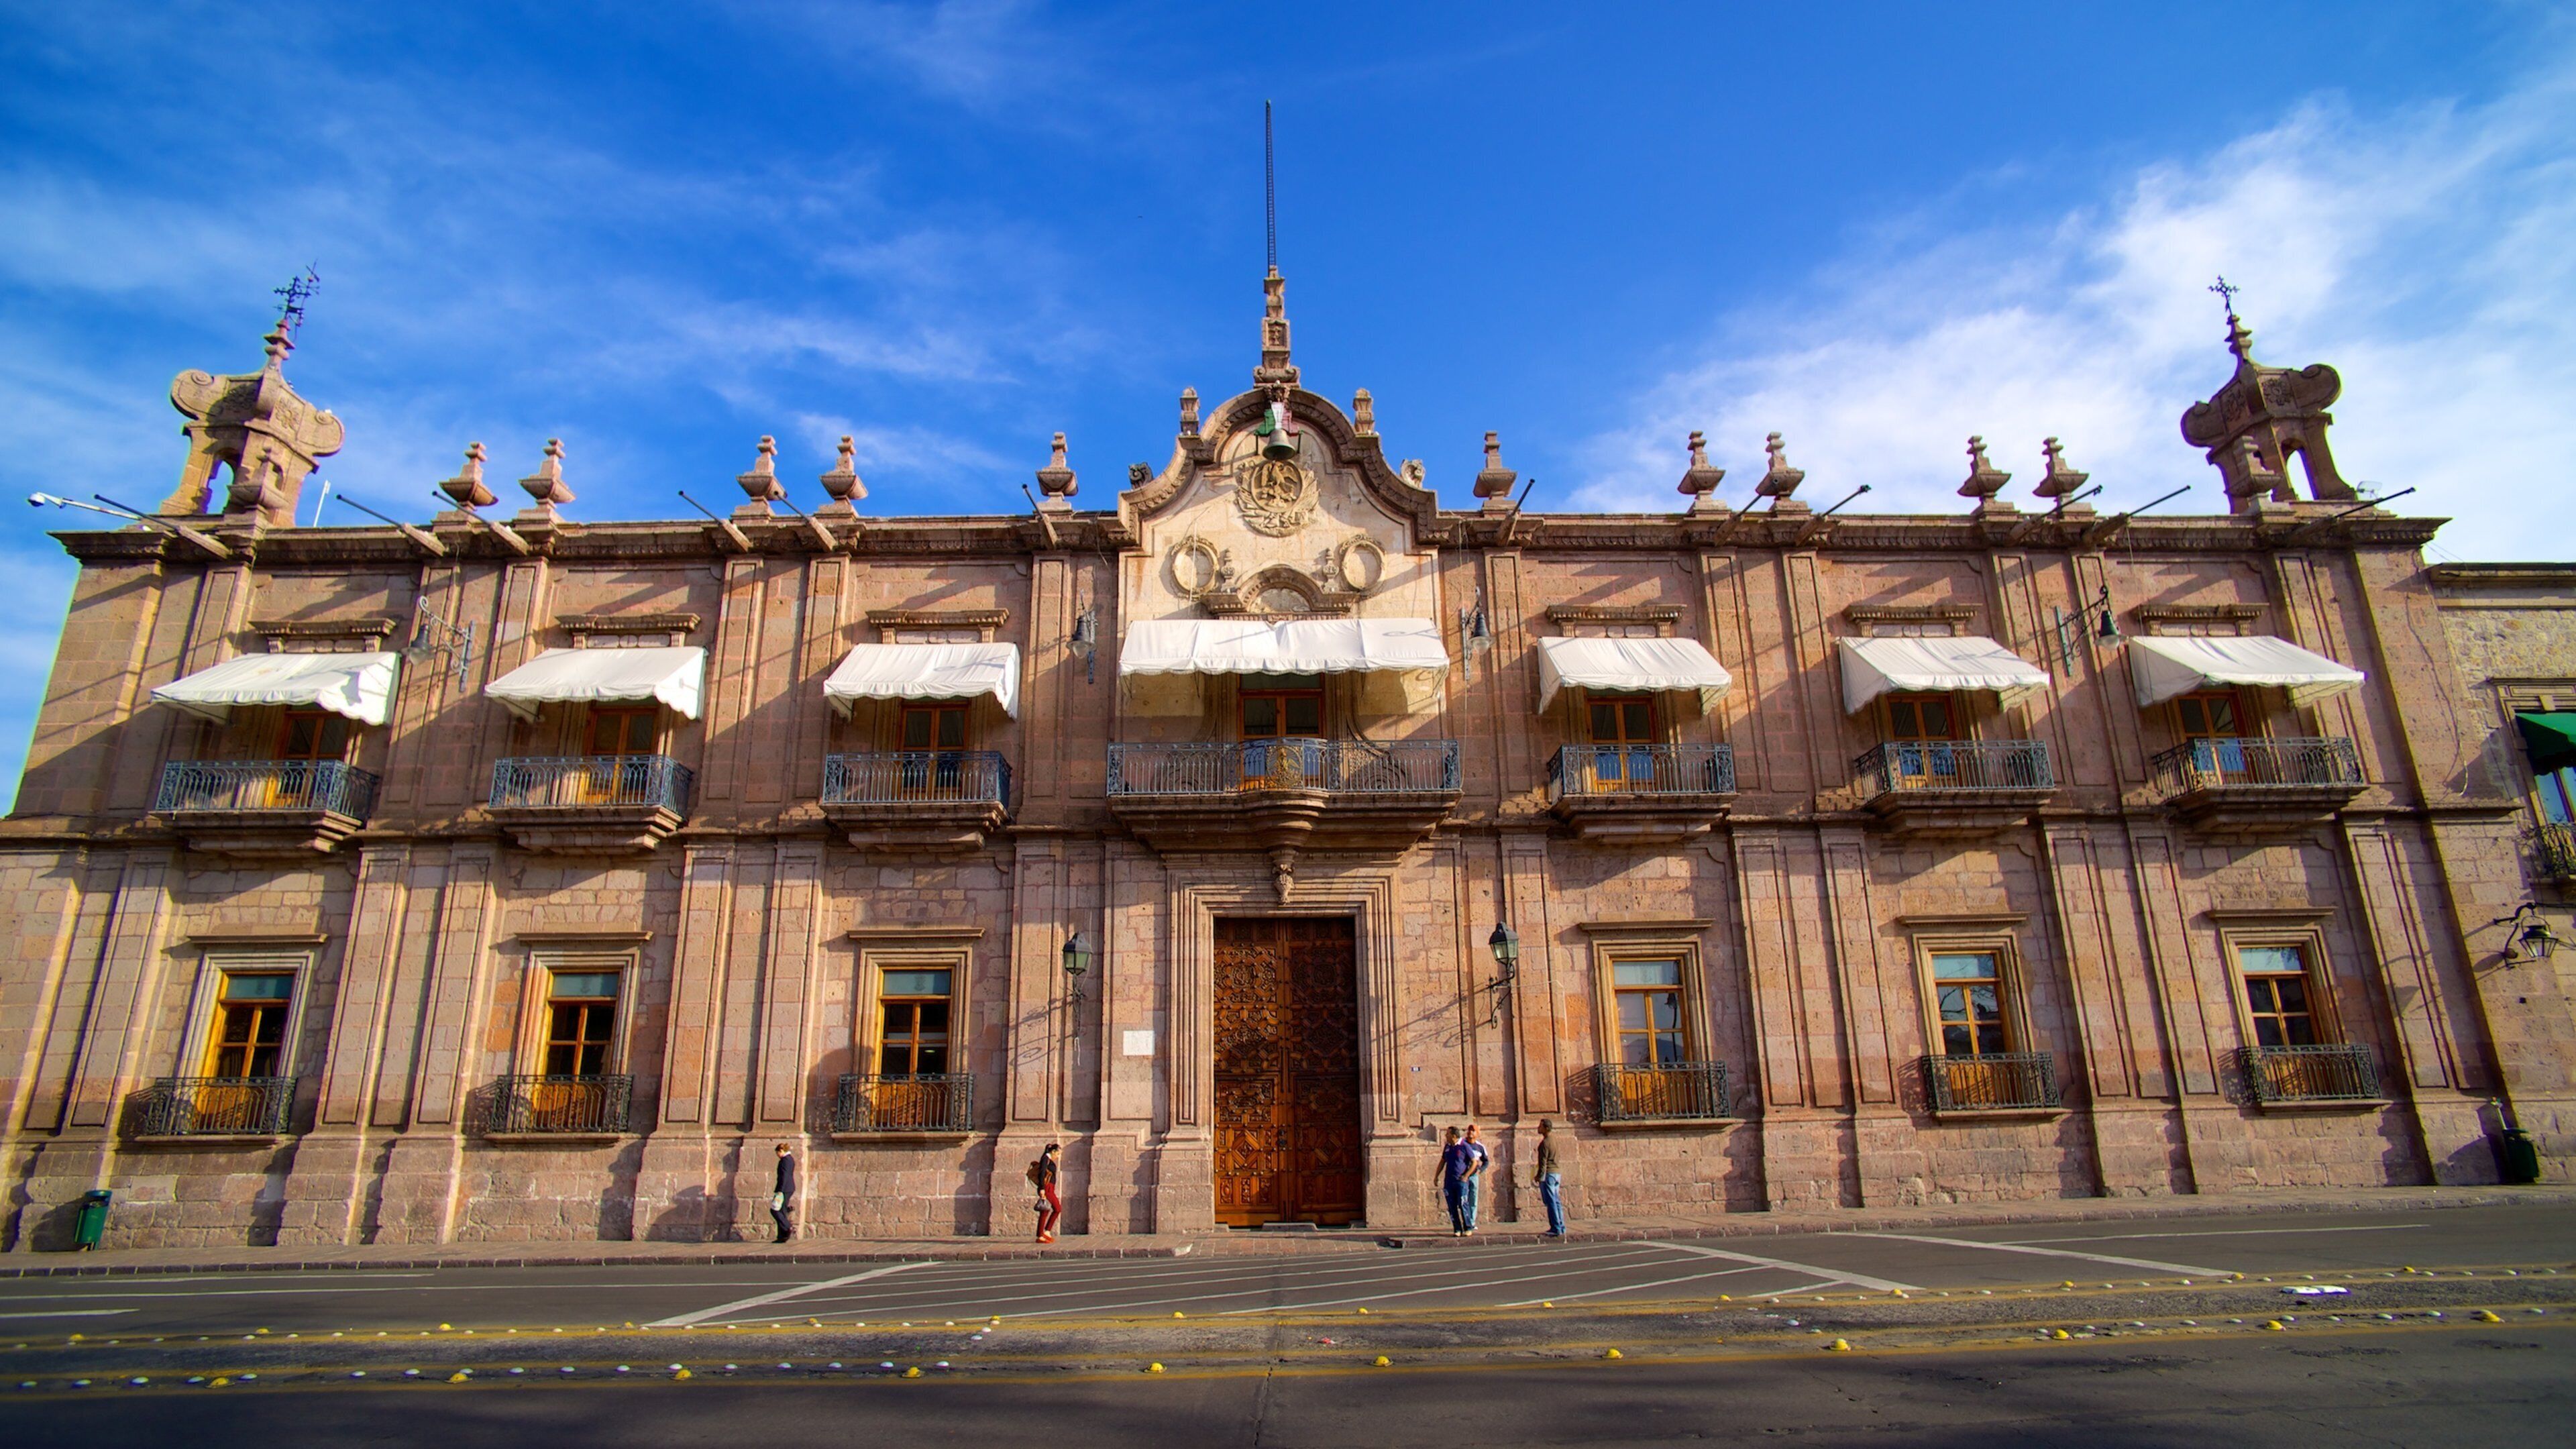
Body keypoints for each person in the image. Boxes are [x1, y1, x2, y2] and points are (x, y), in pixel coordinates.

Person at [1533, 1118, 1566, 1239]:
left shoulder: (1545, 1143)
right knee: (1556, 1201)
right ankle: (1561, 1226)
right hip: (1556, 1173)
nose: (1538, 1128)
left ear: (1546, 1128)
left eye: (1540, 1126)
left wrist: (1538, 1176)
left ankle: (1555, 1228)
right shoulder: (1555, 1140)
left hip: (1549, 1174)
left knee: (1551, 1201)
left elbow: (1543, 1163)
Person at [1436, 1126, 1471, 1235]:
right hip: (1449, 1181)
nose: (1446, 1136)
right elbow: (1443, 1161)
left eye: (1448, 1134)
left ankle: (1468, 1227)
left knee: (1462, 1203)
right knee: (1452, 1206)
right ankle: (1457, 1229)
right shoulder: (1448, 1147)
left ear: (1454, 1136)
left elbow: (1474, 1162)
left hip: (1461, 1181)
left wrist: (1466, 1175)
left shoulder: (1464, 1146)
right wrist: (1436, 1176)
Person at [1458, 1124, 1491, 1234]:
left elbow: (1486, 1161)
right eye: (1469, 1130)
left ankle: (1471, 1222)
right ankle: (1465, 1222)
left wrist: (1480, 1170)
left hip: (1474, 1176)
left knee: (1473, 1198)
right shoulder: (1462, 1144)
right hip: (1463, 1175)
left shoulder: (1480, 1147)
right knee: (1463, 1199)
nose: (1470, 1132)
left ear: (1477, 1133)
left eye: (1473, 1131)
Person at [1029, 1142, 1062, 1244]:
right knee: (1056, 1208)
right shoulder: (1045, 1159)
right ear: (1053, 1151)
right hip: (1047, 1188)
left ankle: (1044, 1234)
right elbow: (1042, 1173)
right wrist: (1042, 1189)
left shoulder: (1048, 1159)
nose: (1058, 1156)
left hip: (1050, 1188)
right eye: (1058, 1154)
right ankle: (1043, 1234)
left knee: (1046, 1211)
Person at [769, 1142, 797, 1244]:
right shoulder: (790, 1159)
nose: (777, 1155)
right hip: (787, 1188)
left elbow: (784, 1176)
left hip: (784, 1189)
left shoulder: (785, 1160)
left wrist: (780, 1190)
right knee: (782, 1211)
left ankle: (788, 1227)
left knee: (775, 1210)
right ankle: (782, 1236)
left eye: (778, 1153)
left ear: (781, 1151)